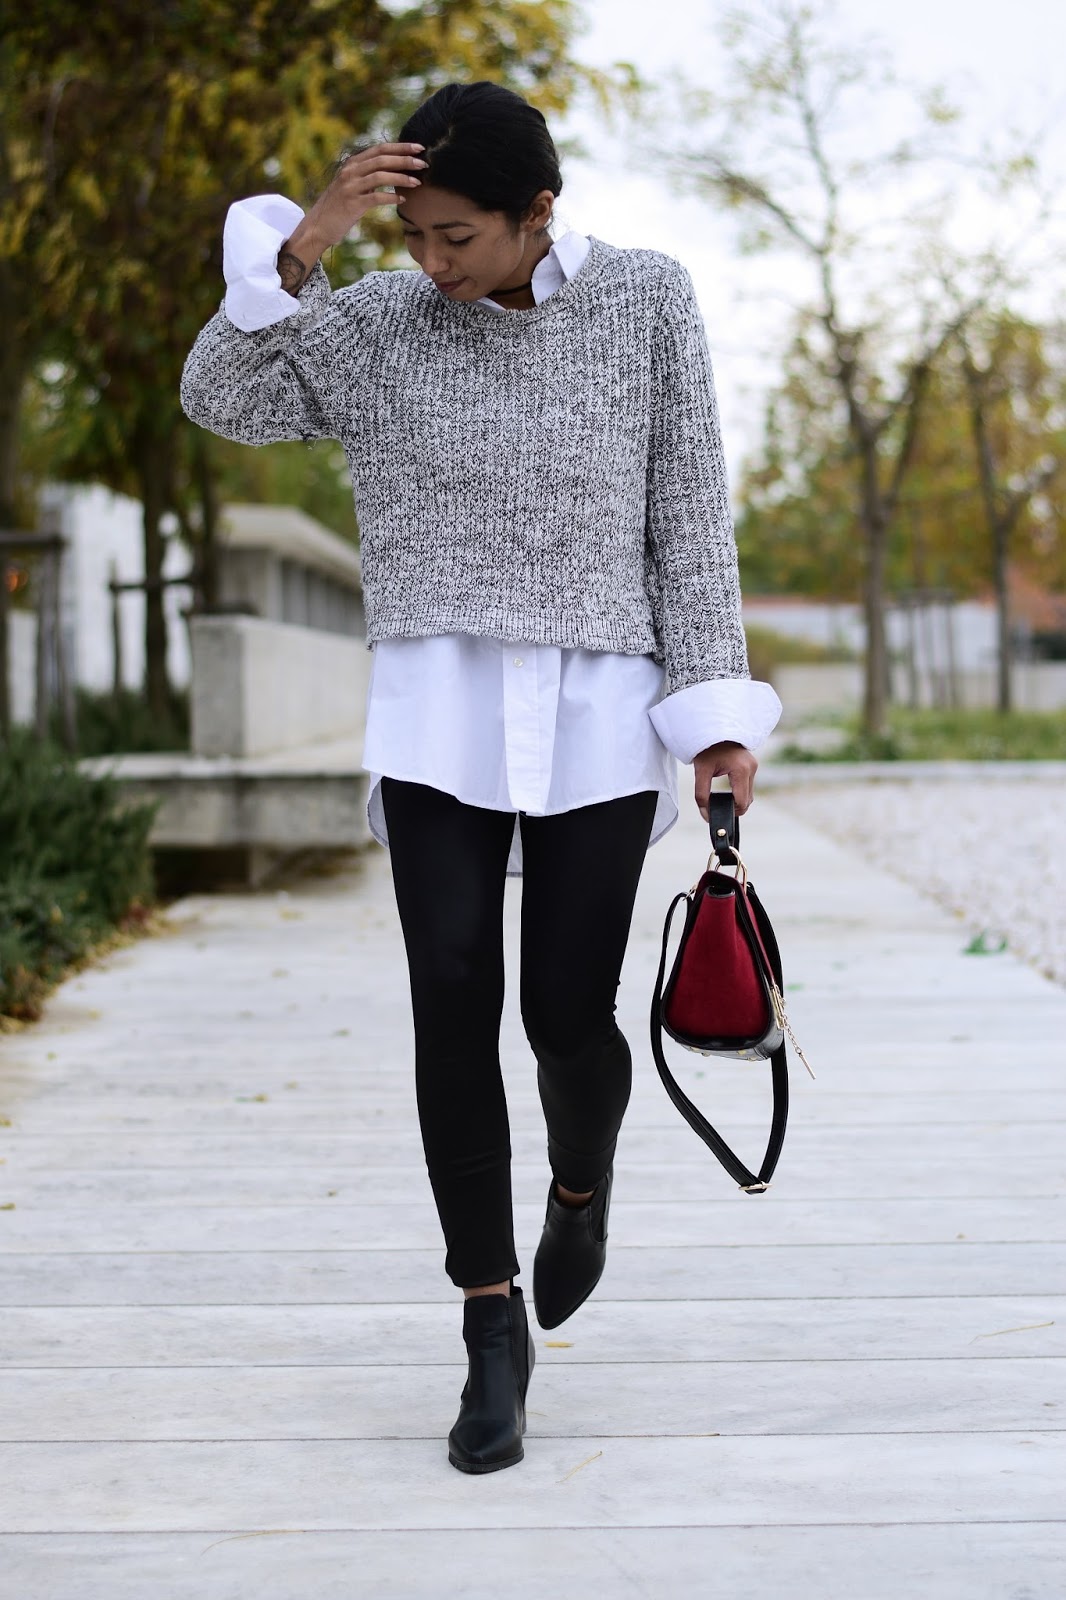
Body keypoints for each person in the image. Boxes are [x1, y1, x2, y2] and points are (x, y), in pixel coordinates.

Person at [180, 79, 781, 1475]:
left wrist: (712, 717)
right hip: (436, 707)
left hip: (597, 709)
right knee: (450, 999)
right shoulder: (379, 319)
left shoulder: (645, 300)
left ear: (536, 214)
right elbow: (222, 395)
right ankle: (487, 1323)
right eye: (413, 234)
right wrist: (304, 247)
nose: (431, 262)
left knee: (565, 1014)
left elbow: (689, 515)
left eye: (456, 236)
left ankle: (580, 1185)